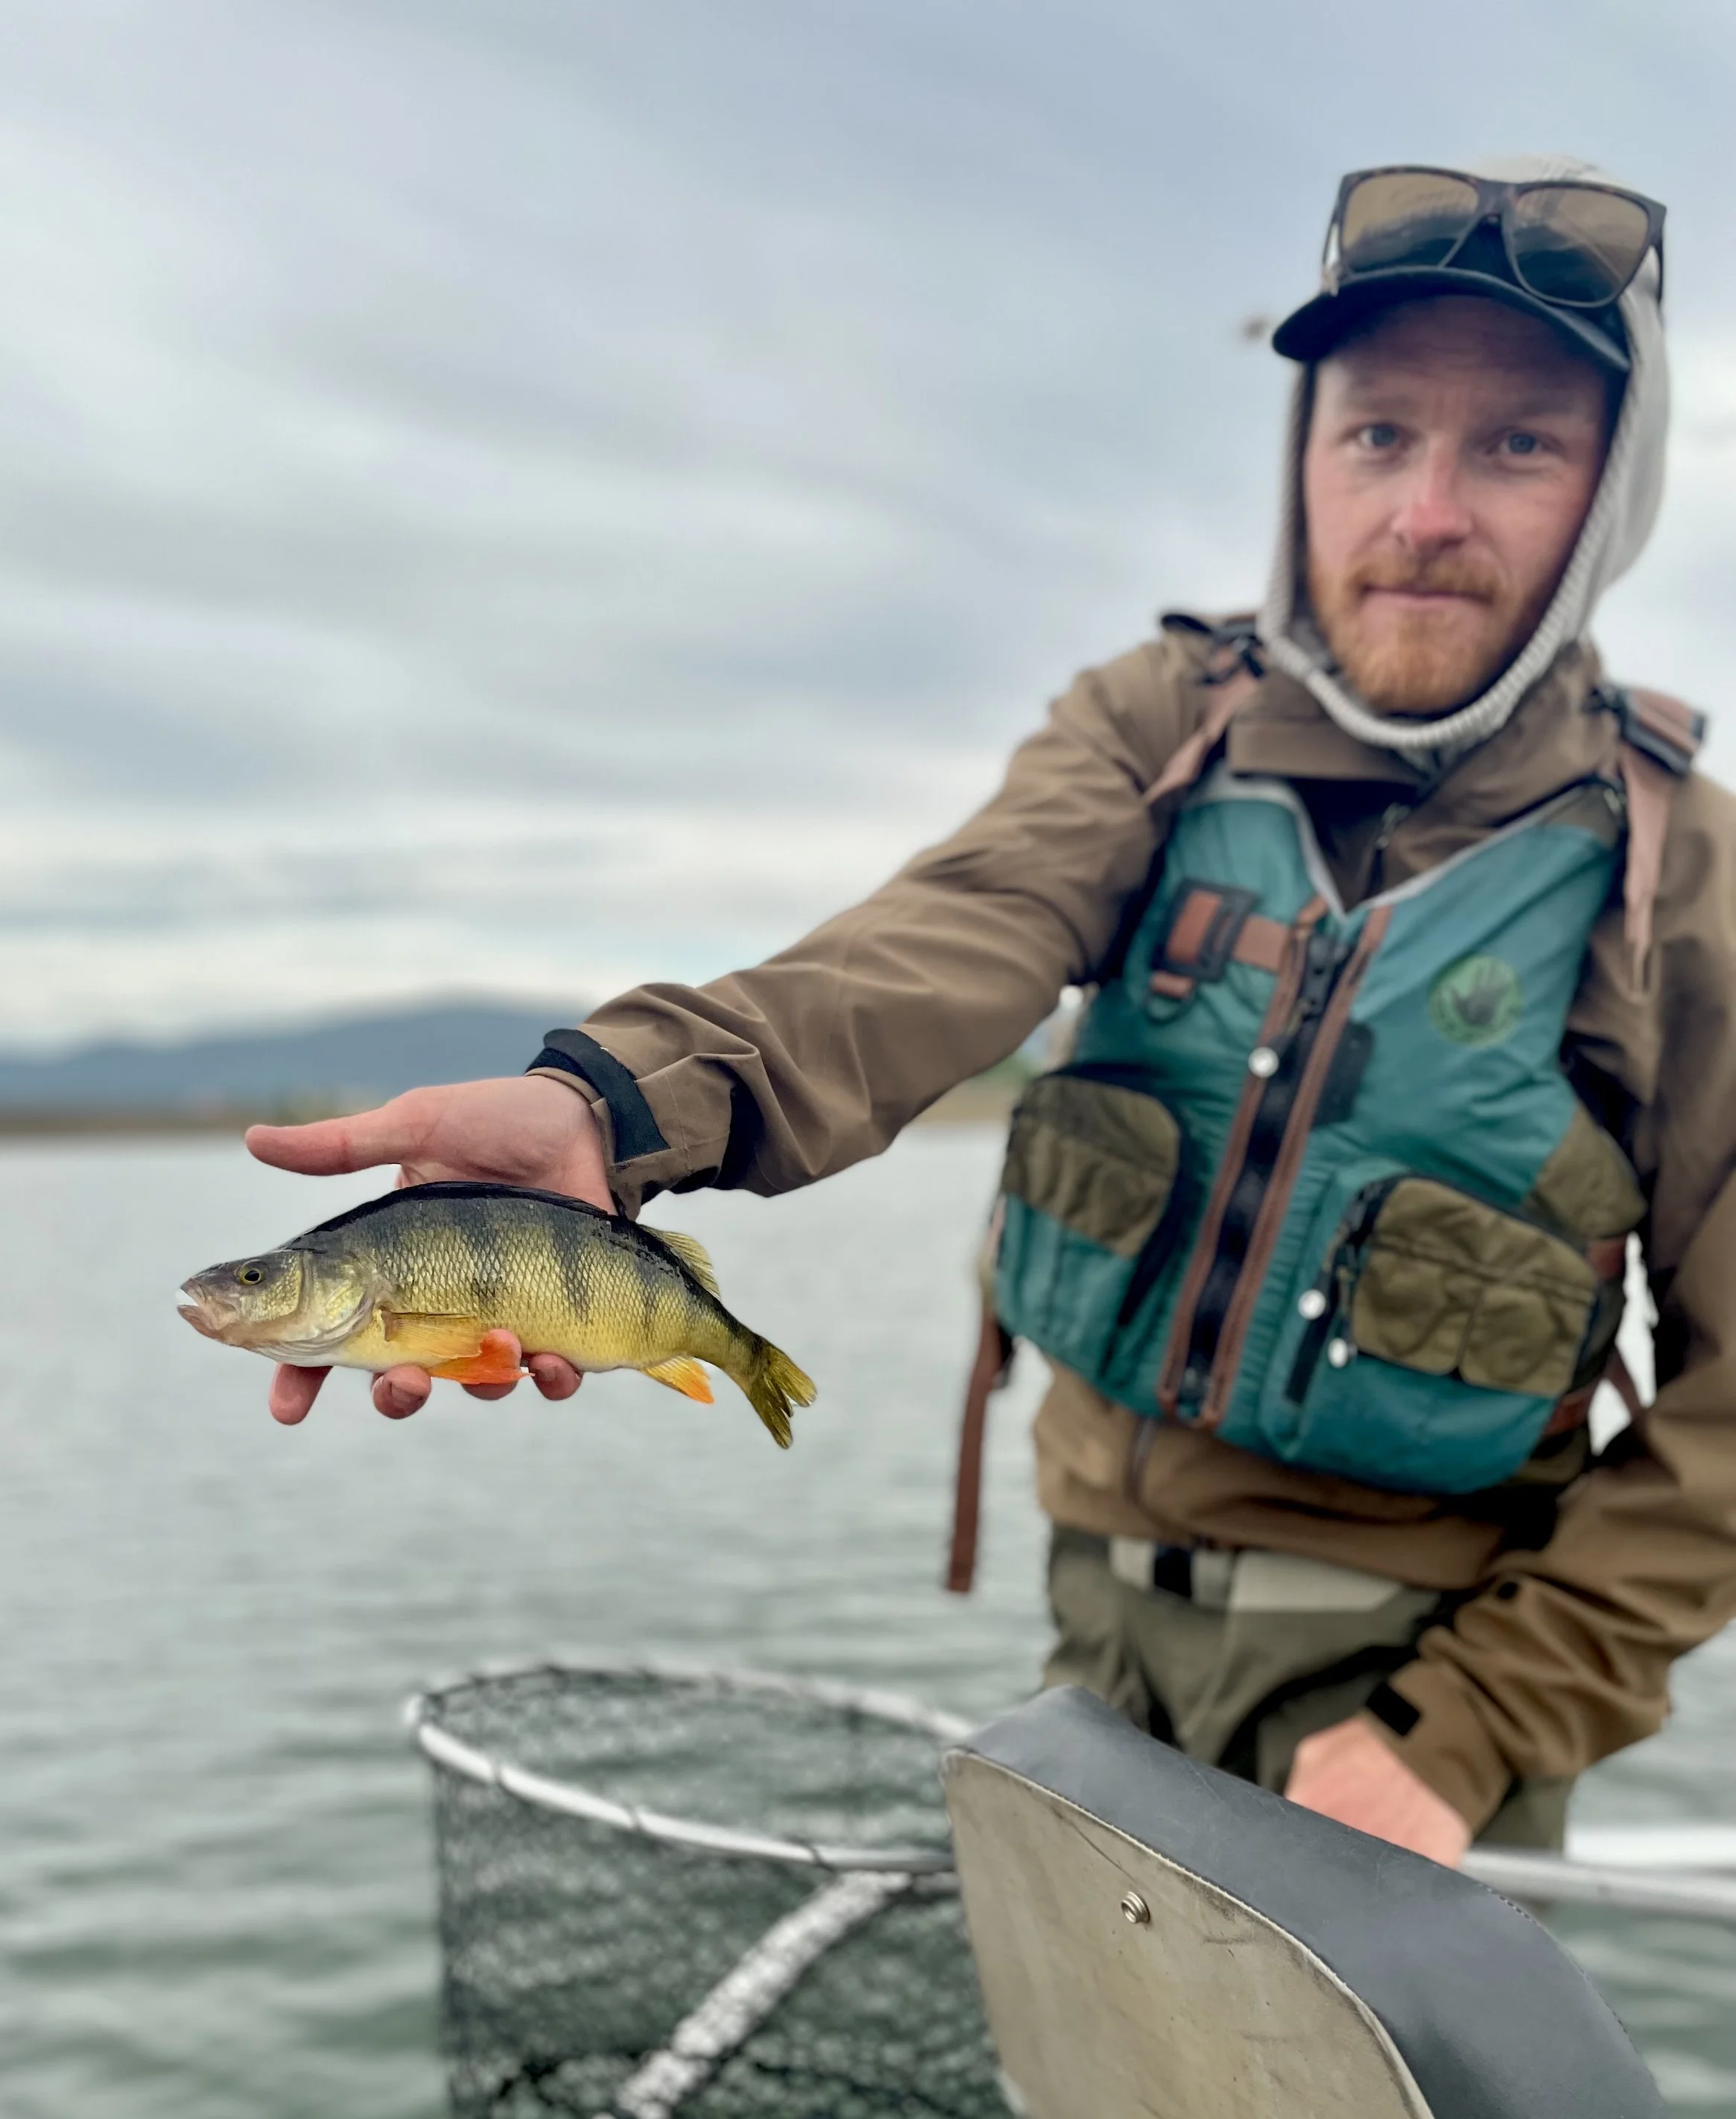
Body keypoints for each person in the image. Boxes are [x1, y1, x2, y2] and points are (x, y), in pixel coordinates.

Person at [249, 157, 1736, 1872]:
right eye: (1376, 432)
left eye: (1518, 444)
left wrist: (1465, 1732)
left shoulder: (1683, 879)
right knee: (1092, 2115)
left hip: (1418, 1699)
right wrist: (613, 1105)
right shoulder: (1157, 720)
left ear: (1610, 491)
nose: (1421, 513)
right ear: (1302, 458)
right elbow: (951, 935)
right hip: (1092, 1639)